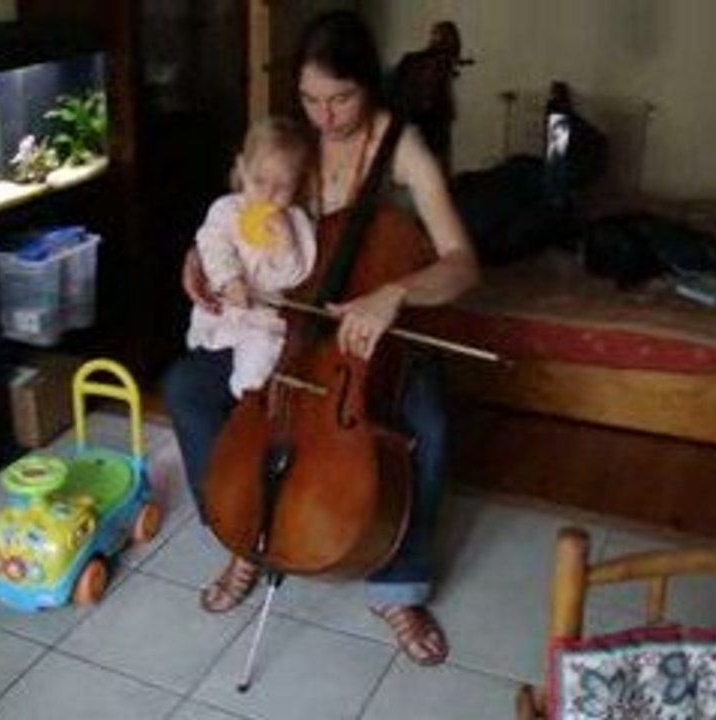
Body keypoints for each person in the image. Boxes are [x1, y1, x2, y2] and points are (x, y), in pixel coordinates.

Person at [162, 10, 479, 667]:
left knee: (429, 421)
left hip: (369, 337)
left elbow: (461, 263)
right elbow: (239, 214)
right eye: (310, 99)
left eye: (341, 99)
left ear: (370, 86)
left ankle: (398, 585)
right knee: (187, 389)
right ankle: (243, 533)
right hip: (284, 325)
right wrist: (200, 259)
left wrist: (395, 293)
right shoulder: (294, 140)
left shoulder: (403, 148)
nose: (325, 117)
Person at [186, 117, 316, 398]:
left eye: (281, 187)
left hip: (263, 320)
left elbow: (294, 277)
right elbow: (212, 246)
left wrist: (284, 243)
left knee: (261, 358)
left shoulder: (296, 223)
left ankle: (247, 403)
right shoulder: (226, 210)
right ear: (242, 168)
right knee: (207, 343)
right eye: (259, 181)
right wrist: (229, 279)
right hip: (222, 312)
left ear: (297, 184)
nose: (267, 196)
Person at [392, 20, 465, 178]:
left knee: (430, 160)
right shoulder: (425, 61)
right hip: (428, 116)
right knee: (433, 161)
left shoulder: (417, 60)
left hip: (424, 116)